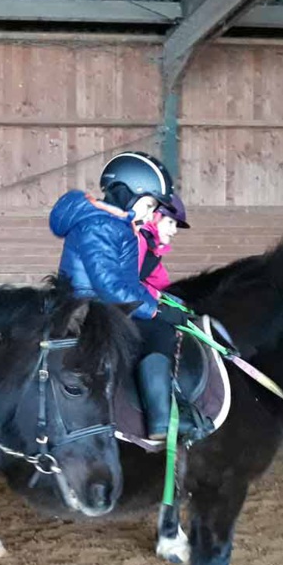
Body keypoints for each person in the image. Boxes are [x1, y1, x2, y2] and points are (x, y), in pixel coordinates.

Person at [49, 151, 188, 441]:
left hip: (101, 306)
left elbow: (127, 283)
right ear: (126, 193)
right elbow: (110, 285)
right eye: (149, 204)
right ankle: (160, 422)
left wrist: (159, 302)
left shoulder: (113, 224)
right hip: (88, 312)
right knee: (158, 333)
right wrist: (155, 312)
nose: (151, 214)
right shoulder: (100, 226)